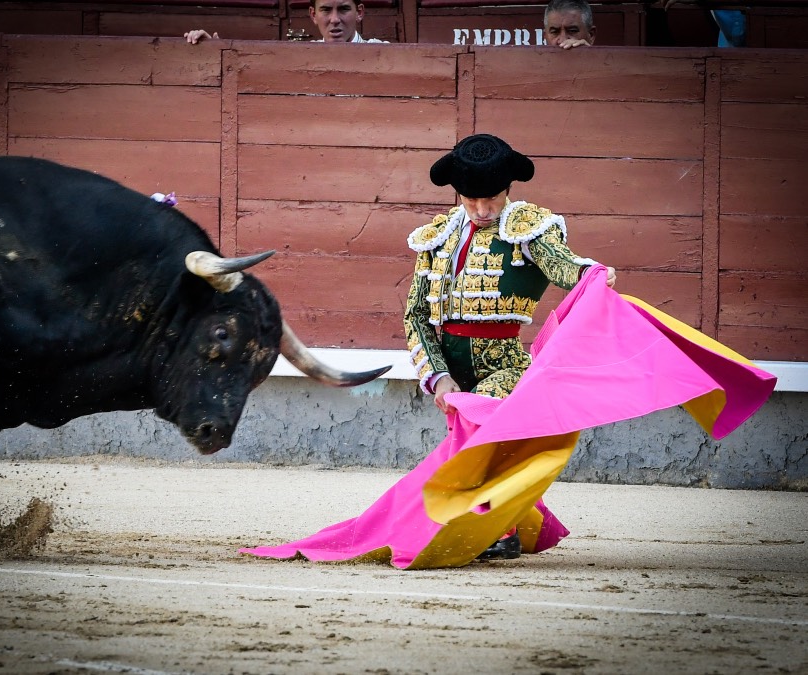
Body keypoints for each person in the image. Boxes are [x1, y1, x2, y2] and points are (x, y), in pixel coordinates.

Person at [403, 133, 616, 559]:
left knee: (482, 436)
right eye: (471, 200)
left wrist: (592, 275)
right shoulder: (436, 238)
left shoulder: (528, 229)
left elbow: (564, 266)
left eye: (493, 199)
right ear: (457, 193)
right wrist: (438, 377)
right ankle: (502, 520)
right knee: (467, 450)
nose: (483, 211)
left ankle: (499, 532)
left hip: (505, 363)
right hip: (452, 368)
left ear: (508, 189)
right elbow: (416, 317)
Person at [184, 0, 387, 44]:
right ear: (313, 15)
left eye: (343, 9)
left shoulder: (383, 53)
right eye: (325, 10)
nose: (334, 20)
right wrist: (213, 51)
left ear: (359, 12)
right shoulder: (299, 56)